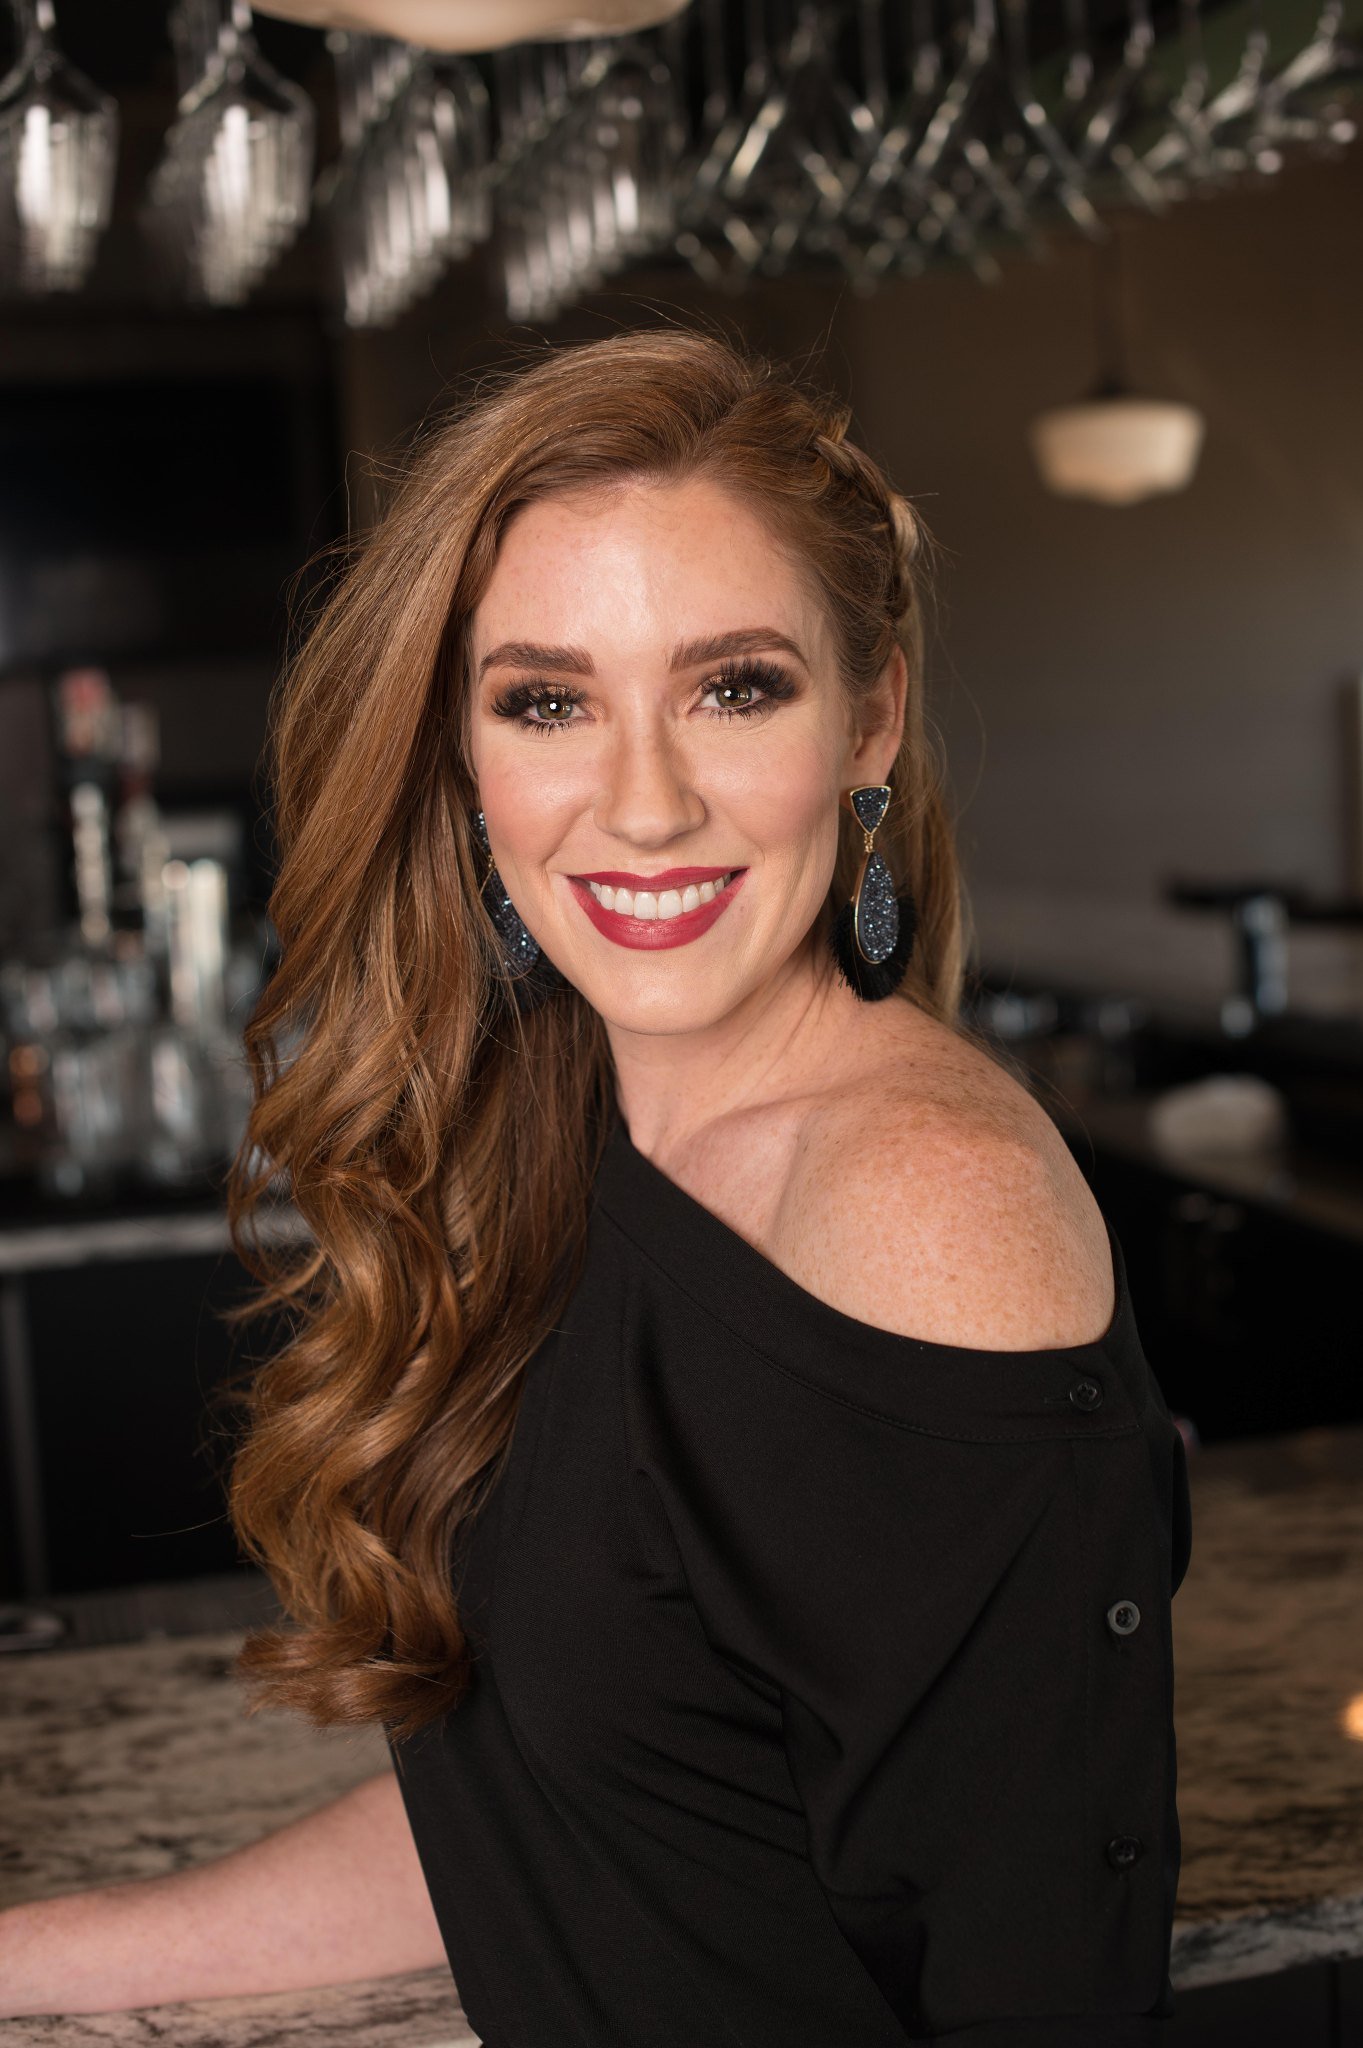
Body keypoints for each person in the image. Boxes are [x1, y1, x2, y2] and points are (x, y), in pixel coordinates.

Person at [0, 326, 1193, 2039]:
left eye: (733, 686)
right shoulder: (582, 1129)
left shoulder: (918, 1208)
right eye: (549, 701)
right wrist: (36, 1953)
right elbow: (574, 1803)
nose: (638, 806)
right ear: (466, 755)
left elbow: (1037, 1987)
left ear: (871, 720)